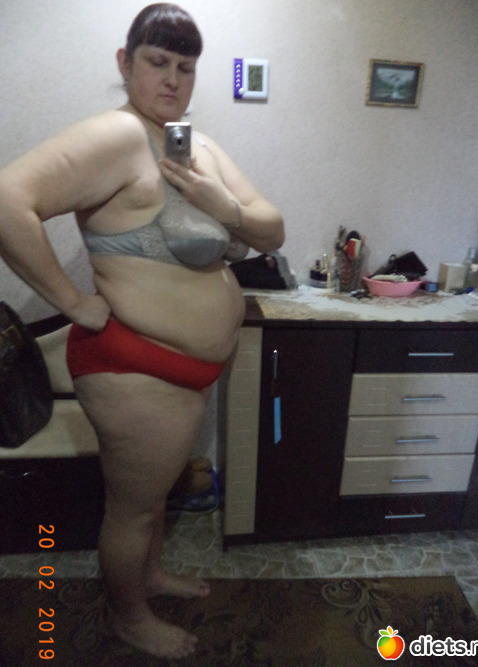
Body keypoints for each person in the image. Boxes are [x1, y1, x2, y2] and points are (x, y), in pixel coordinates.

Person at [0, 3, 284, 659]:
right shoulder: (120, 136)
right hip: (133, 366)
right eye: (158, 62)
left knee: (152, 499)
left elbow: (271, 227)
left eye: (186, 67)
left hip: (181, 373)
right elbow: (8, 198)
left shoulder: (194, 145)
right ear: (125, 63)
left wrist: (225, 206)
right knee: (131, 508)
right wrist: (73, 301)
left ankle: (149, 576)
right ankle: (129, 615)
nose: (173, 79)